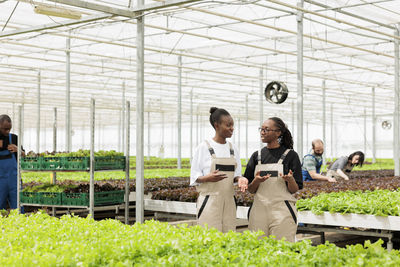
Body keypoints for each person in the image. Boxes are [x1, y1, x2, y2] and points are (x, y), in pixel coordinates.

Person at [244, 117, 303, 242]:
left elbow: (294, 189)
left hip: (282, 209)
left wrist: (290, 180)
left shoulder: (291, 155)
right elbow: (250, 189)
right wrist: (256, 181)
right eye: (261, 129)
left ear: (278, 132)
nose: (262, 132)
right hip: (259, 210)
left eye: (266, 129)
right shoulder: (256, 156)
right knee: (257, 247)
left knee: (282, 247)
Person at [190, 107, 248, 232]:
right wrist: (208, 178)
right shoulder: (204, 147)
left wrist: (240, 179)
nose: (232, 128)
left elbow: (236, 174)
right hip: (209, 200)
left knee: (229, 235)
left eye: (232, 125)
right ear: (217, 125)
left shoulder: (233, 148)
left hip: (229, 201)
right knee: (209, 236)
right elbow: (194, 177)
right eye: (228, 125)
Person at [0, 114, 25, 210]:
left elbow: (24, 154)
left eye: (9, 129)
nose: (7, 131)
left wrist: (18, 149)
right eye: (4, 129)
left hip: (13, 180)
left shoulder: (14, 138)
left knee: (18, 206)